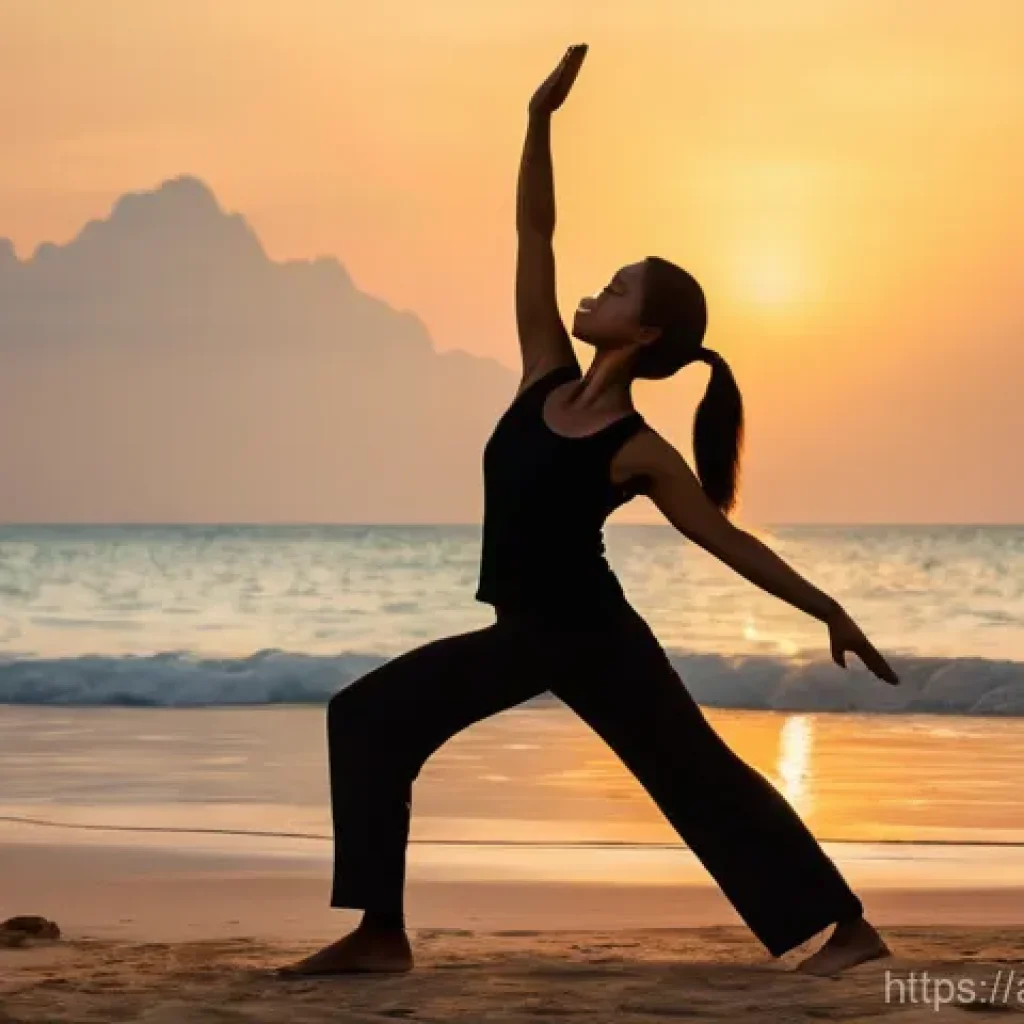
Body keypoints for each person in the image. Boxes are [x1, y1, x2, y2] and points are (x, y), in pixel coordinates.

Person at [279, 43, 900, 980]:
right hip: (531, 631)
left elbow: (726, 540)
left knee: (695, 776)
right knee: (371, 720)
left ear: (644, 332)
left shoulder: (638, 449)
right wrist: (537, 122)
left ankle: (848, 930)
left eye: (617, 289)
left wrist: (829, 610)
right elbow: (534, 233)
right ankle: (380, 933)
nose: (595, 291)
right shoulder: (544, 373)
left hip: (588, 636)